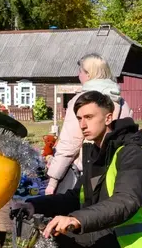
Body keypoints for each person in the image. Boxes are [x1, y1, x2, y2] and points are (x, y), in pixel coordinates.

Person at [18, 91, 142, 248]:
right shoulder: (98, 152)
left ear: (108, 117)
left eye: (89, 117)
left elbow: (126, 201)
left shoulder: (132, 153)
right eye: (79, 118)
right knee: (45, 241)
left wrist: (76, 220)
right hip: (108, 237)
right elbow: (77, 197)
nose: (83, 125)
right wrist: (34, 205)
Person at [45, 54, 132, 195]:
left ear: (88, 74)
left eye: (80, 71)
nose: (78, 75)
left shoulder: (82, 101)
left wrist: (53, 180)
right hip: (117, 170)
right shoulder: (122, 102)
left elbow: (70, 143)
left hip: (87, 171)